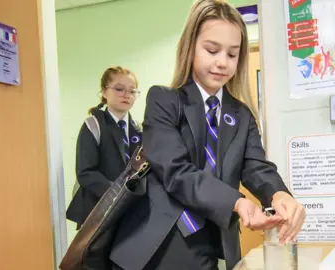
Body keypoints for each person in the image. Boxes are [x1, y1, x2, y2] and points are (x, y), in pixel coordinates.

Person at [110, 1, 306, 270]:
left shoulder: (241, 116)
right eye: (212, 50)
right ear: (190, 47)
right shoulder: (164, 101)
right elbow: (176, 172)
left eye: (232, 54)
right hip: (159, 245)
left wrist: (280, 195)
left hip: (212, 244)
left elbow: (256, 167)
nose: (221, 62)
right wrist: (236, 202)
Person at [66, 66, 142, 229]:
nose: (126, 95)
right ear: (104, 92)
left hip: (130, 210)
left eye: (132, 91)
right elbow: (85, 172)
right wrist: (117, 194)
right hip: (98, 209)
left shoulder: (139, 129)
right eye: (119, 89)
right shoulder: (93, 125)